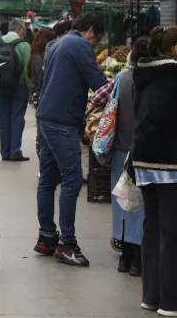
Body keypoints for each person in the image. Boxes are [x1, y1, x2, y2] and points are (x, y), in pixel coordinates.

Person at [34, 13, 107, 267]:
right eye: (96, 39)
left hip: (46, 118)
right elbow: (99, 84)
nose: (94, 44)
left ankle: (46, 237)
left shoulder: (58, 43)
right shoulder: (79, 45)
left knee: (48, 180)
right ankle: (66, 244)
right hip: (61, 122)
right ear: (90, 31)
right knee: (73, 180)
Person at [90, 36, 148, 277]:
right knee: (141, 203)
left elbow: (97, 98)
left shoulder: (121, 78)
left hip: (120, 150)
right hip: (144, 152)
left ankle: (124, 257)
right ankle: (137, 259)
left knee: (121, 202)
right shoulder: (156, 80)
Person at [131, 26, 177, 316]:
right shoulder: (174, 74)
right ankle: (171, 302)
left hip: (143, 158)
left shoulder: (141, 72)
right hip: (170, 160)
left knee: (152, 226)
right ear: (174, 49)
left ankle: (151, 296)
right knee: (171, 231)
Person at [0, 18, 31, 162]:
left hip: (1, 87)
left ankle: (5, 153)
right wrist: (30, 90)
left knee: (5, 118)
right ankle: (15, 152)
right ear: (19, 29)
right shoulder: (24, 46)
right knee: (17, 118)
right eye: (24, 30)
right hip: (19, 87)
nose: (24, 34)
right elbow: (27, 70)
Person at [27, 28, 56, 110]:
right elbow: (41, 81)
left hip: (38, 96)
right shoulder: (40, 58)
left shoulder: (34, 54)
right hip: (43, 98)